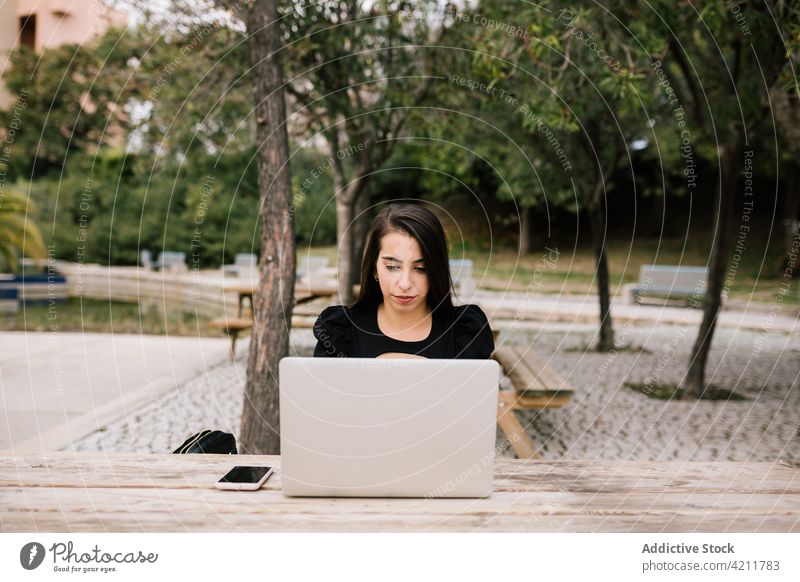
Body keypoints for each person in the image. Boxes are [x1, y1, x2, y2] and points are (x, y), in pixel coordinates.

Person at [312, 202, 494, 359]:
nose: (405, 283)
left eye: (421, 269)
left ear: (437, 270)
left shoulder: (466, 333)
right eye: (392, 267)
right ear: (374, 267)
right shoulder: (340, 332)